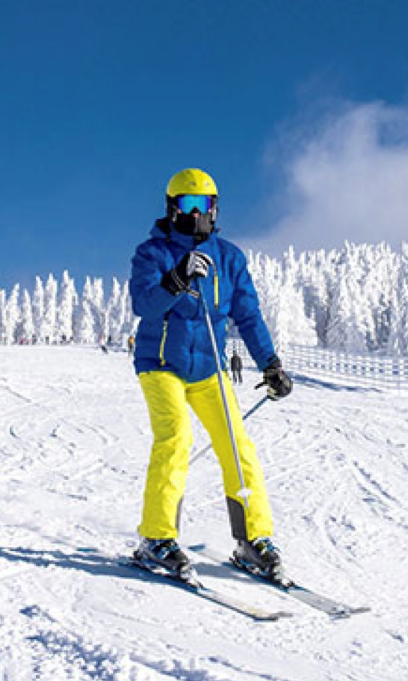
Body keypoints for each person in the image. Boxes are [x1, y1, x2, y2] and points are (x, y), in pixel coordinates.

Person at [128, 168, 293, 584]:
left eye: (205, 205)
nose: (197, 214)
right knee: (176, 437)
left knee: (237, 446)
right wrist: (177, 278)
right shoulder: (153, 253)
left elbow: (248, 316)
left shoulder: (229, 258)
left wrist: (270, 363)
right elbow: (144, 305)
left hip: (209, 370)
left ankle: (253, 539)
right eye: (188, 204)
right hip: (161, 365)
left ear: (216, 209)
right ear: (172, 208)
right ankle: (156, 538)